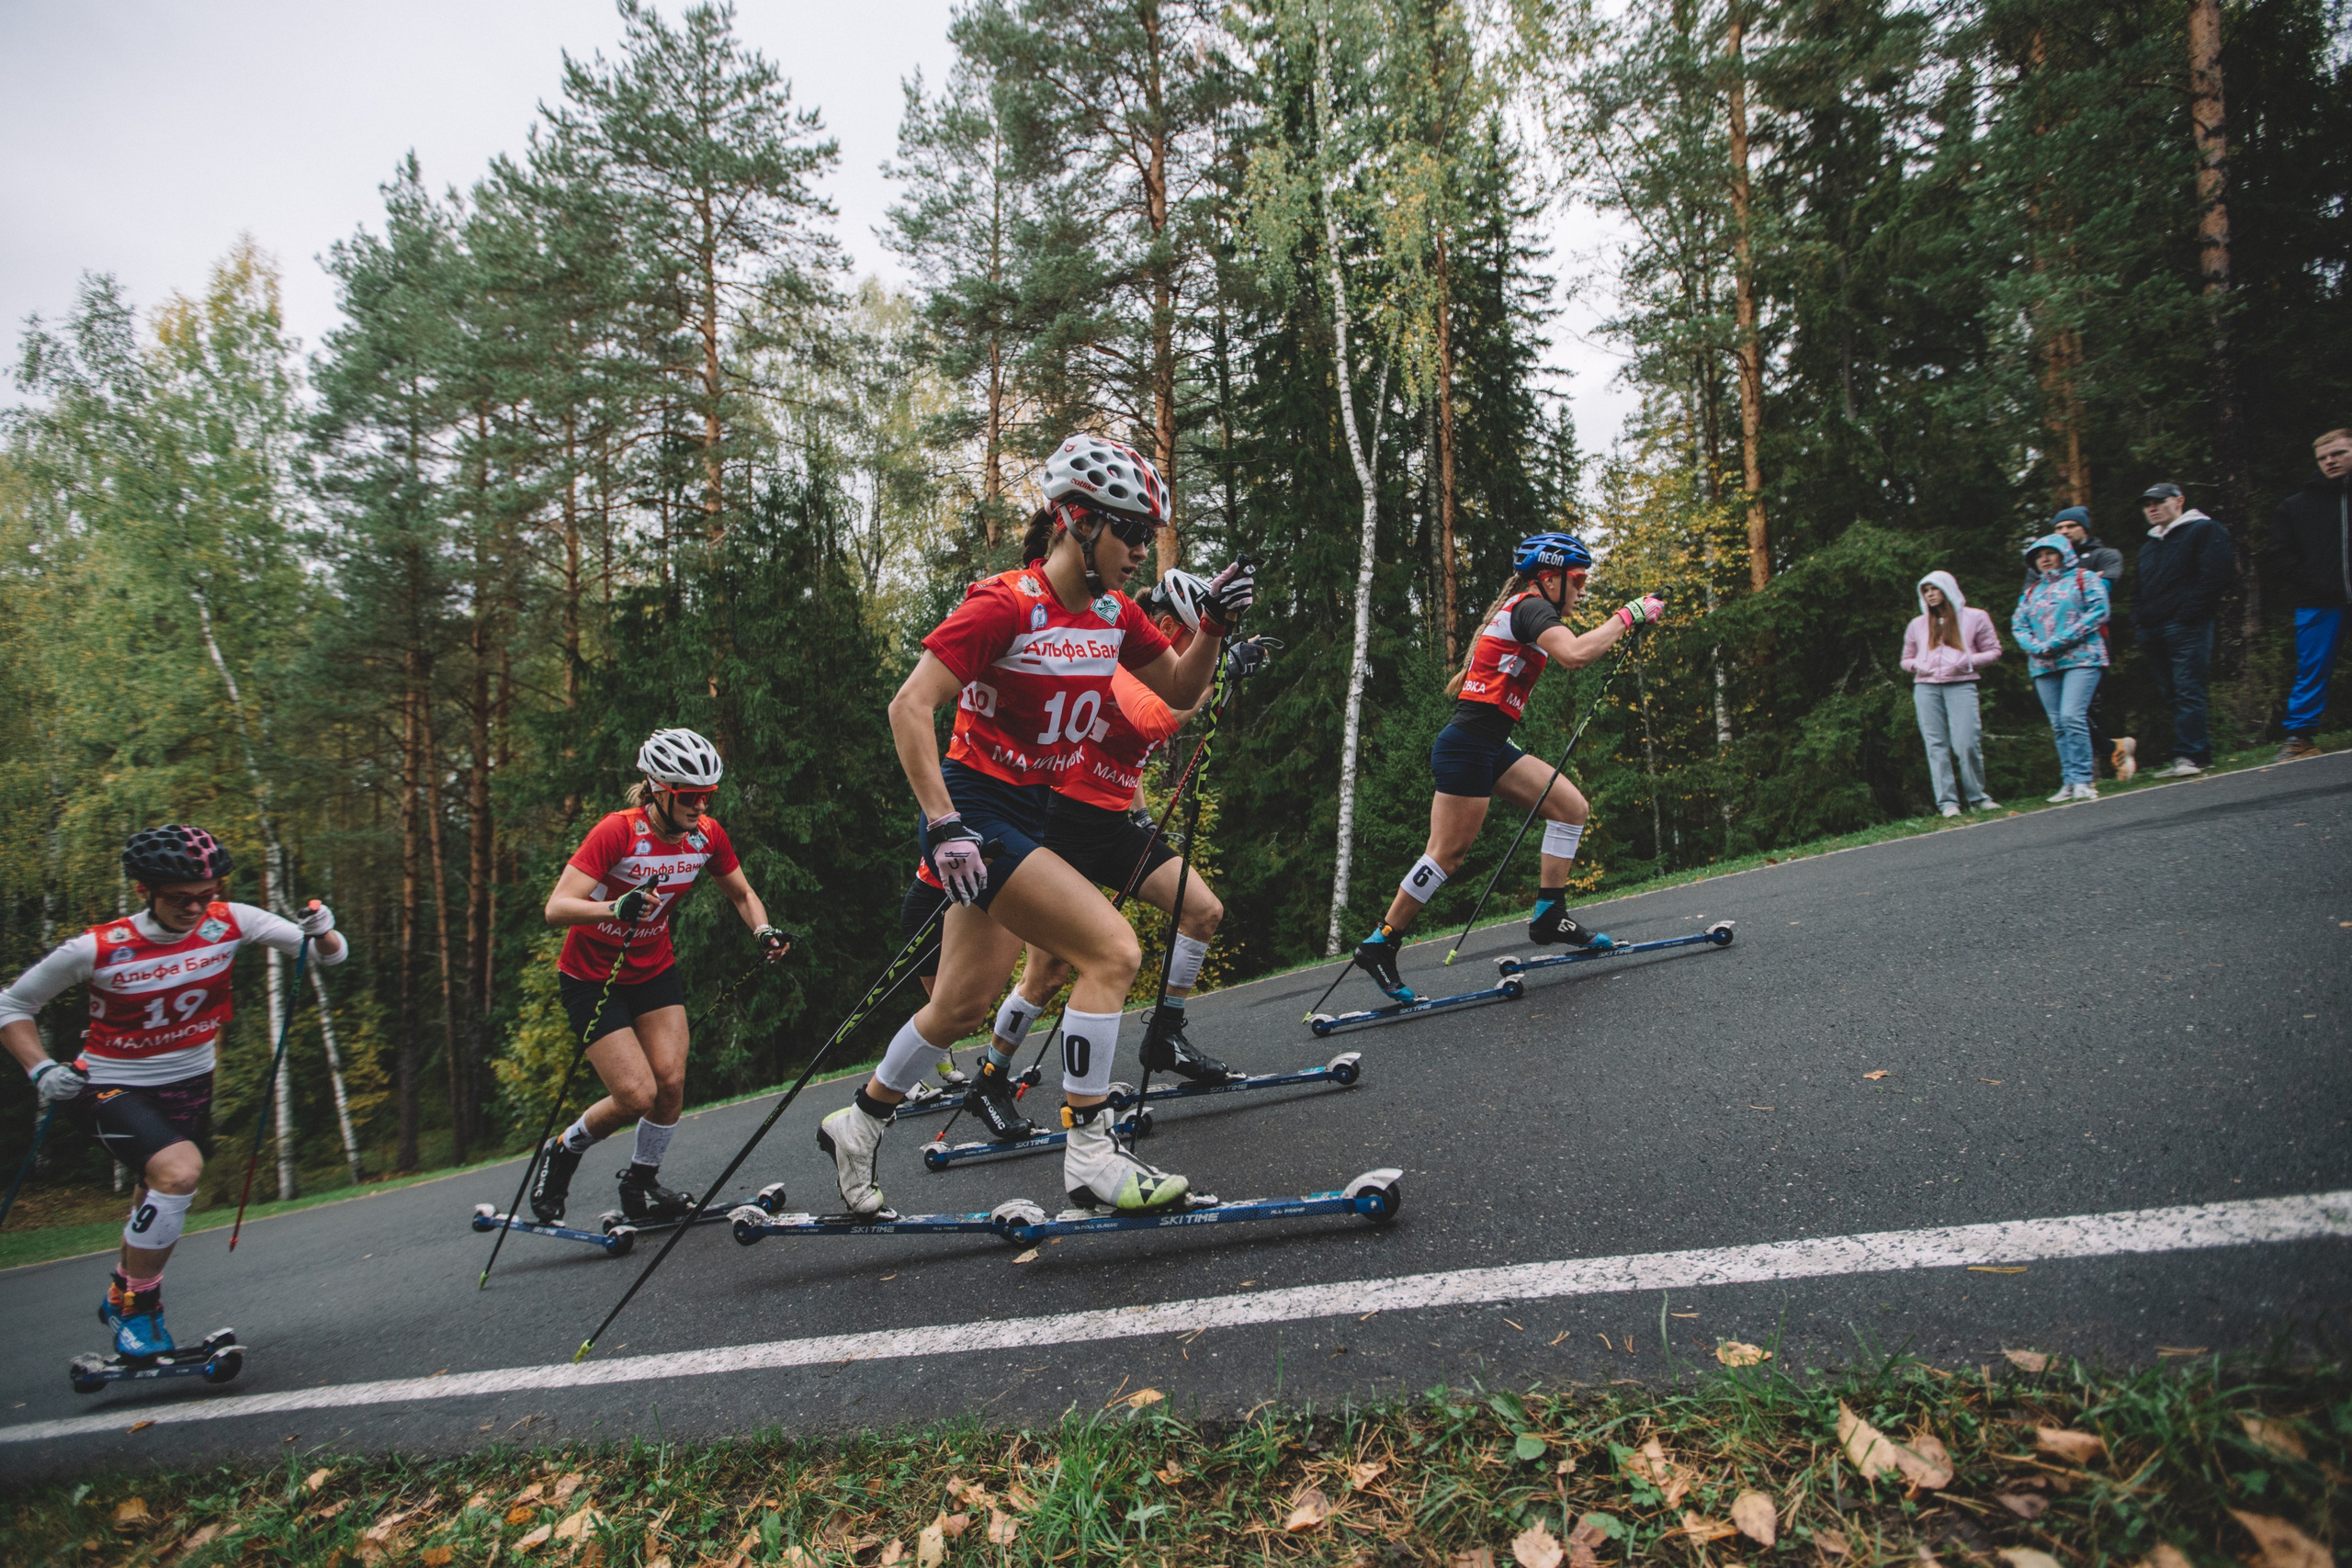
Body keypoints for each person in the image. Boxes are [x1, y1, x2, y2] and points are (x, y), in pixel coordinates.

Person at [820, 434, 1248, 1218]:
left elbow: (1181, 687)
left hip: (1030, 814)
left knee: (960, 1005)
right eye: (1129, 532)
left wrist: (1212, 626)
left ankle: (861, 1120)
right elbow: (909, 707)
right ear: (1076, 522)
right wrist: (943, 824)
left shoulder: (1116, 615)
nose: (1140, 552)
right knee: (1113, 950)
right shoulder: (1005, 604)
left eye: (1148, 536)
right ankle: (1090, 1155)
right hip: (976, 810)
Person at [0, 826, 347, 1359]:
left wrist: (322, 930)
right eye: (180, 900)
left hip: (189, 1082)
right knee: (179, 1172)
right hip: (109, 1083)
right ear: (145, 891)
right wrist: (41, 1069)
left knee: (156, 1190)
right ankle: (139, 1310)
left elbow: (327, 955)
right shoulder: (95, 948)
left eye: (206, 895)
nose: (196, 908)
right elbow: (11, 1007)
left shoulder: (231, 920)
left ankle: (121, 1295)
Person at [969, 571, 1272, 1142]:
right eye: (1191, 639)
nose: (1197, 659)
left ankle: (1166, 1034)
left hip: (1113, 826)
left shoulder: (1166, 667)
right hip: (1061, 826)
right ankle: (991, 1077)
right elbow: (1156, 718)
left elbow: (1128, 754)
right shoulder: (1113, 664)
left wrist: (1137, 810)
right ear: (1162, 629)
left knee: (1202, 910)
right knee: (1049, 971)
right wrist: (1219, 676)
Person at [1351, 533, 1663, 1003]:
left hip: (1490, 744)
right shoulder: (1533, 608)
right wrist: (1628, 616)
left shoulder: (1527, 608)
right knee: (1446, 855)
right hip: (1468, 747)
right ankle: (1382, 941)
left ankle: (1548, 914)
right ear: (1549, 578)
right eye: (1577, 581)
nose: (1581, 591)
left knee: (1569, 808)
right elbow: (1574, 655)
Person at [535, 728, 794, 1224]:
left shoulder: (706, 836)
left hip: (653, 968)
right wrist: (617, 904)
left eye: (707, 796)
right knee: (636, 1095)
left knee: (671, 1081)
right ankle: (564, 1150)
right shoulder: (618, 831)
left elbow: (742, 893)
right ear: (658, 789)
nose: (700, 806)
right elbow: (556, 908)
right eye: (690, 796)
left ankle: (640, 1181)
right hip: (593, 976)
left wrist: (762, 931)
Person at [2133, 481, 2236, 777]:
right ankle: (2192, 753)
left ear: (2179, 500)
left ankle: (2191, 756)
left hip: (2187, 626)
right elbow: (2140, 588)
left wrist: (2188, 615)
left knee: (2188, 688)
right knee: (2172, 692)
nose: (2151, 508)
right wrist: (2141, 621)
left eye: (2158, 501)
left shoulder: (2204, 530)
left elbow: (2217, 575)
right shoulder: (2149, 546)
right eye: (2146, 504)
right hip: (2153, 628)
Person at [2025, 507, 2133, 781]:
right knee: (2069, 714)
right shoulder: (2042, 562)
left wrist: (2073, 588)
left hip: (2091, 642)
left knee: (2085, 706)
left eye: (2070, 526)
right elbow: (2031, 604)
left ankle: (2091, 770)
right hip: (2048, 651)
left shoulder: (2104, 555)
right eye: (2058, 528)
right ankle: (2103, 756)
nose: (2064, 532)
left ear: (2085, 527)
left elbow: (2100, 593)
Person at [2264, 427, 2351, 761]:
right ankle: (2300, 738)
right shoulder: (2296, 506)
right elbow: (2279, 555)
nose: (2330, 461)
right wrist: (2311, 580)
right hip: (2318, 601)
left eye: (2338, 454)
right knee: (2312, 668)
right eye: (2323, 458)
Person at [2012, 535, 2112, 802]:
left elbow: (2099, 611)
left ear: (2064, 553)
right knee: (2058, 723)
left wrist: (2060, 640)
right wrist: (2034, 646)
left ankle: (2083, 780)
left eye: (2050, 553)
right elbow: (2019, 625)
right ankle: (2069, 781)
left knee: (2072, 716)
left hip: (2082, 658)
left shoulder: (2084, 578)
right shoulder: (2032, 592)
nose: (2044, 559)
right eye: (2038, 555)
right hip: (2043, 664)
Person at [1901, 570, 2002, 817]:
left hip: (1962, 683)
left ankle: (1977, 798)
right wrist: (1917, 666)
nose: (1931, 594)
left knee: (1966, 741)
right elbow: (1906, 659)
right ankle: (1948, 803)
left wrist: (1967, 661)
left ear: (1948, 588)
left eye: (1935, 589)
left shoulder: (1976, 617)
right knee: (1936, 746)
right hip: (1926, 687)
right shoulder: (1918, 623)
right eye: (1926, 590)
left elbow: (1994, 650)